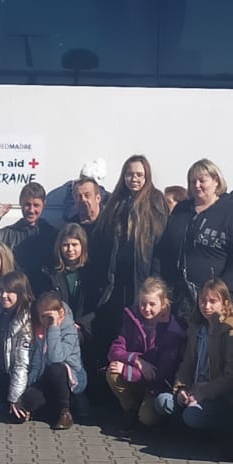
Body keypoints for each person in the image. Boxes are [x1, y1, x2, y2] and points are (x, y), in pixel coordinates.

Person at [85, 155, 169, 380]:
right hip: (115, 283)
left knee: (138, 334)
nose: (134, 179)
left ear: (147, 176)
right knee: (115, 332)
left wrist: (155, 282)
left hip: (142, 281)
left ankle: (136, 383)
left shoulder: (156, 202)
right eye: (130, 174)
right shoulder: (116, 202)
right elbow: (101, 241)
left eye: (139, 174)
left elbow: (161, 247)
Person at [154, 159, 233, 320]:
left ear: (216, 181)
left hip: (214, 299)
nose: (197, 185)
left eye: (202, 180)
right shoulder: (181, 209)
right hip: (180, 296)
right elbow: (165, 247)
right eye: (193, 182)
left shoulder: (231, 212)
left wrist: (223, 288)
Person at [160, 279, 233, 432]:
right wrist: (181, 388)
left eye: (213, 302)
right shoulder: (196, 329)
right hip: (194, 389)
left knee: (191, 416)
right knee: (162, 402)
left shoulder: (232, 333)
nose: (206, 306)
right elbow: (187, 363)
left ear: (225, 303)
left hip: (218, 395)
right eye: (203, 301)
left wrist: (204, 393)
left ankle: (211, 426)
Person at [107, 277, 187, 428]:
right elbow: (114, 351)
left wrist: (127, 370)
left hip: (159, 386)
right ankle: (131, 411)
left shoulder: (173, 329)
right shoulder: (132, 319)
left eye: (152, 304)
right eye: (142, 303)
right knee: (112, 372)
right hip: (139, 376)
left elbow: (161, 372)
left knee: (147, 418)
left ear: (163, 305)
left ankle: (149, 416)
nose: (146, 309)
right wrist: (137, 360)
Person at [14, 292, 87, 430]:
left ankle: (65, 411)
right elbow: (37, 363)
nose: (46, 320)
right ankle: (50, 411)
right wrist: (26, 388)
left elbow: (56, 357)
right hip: (46, 379)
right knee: (26, 402)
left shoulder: (70, 331)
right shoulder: (42, 331)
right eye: (42, 317)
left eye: (50, 317)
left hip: (68, 380)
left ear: (60, 313)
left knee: (56, 369)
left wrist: (54, 327)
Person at [0, 182, 59, 296]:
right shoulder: (5, 235)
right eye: (27, 204)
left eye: (36, 205)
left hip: (43, 296)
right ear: (20, 202)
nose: (31, 210)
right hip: (15, 296)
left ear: (44, 204)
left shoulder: (52, 235)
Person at [0, 271, 35, 423]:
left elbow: (22, 364)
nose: (3, 295)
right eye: (1, 291)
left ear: (21, 294)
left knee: (16, 417)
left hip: (21, 376)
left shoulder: (27, 322)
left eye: (9, 292)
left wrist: (15, 398)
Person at [49, 223, 87, 311]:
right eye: (65, 245)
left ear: (82, 245)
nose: (70, 249)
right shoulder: (52, 274)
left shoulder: (91, 271)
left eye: (74, 244)